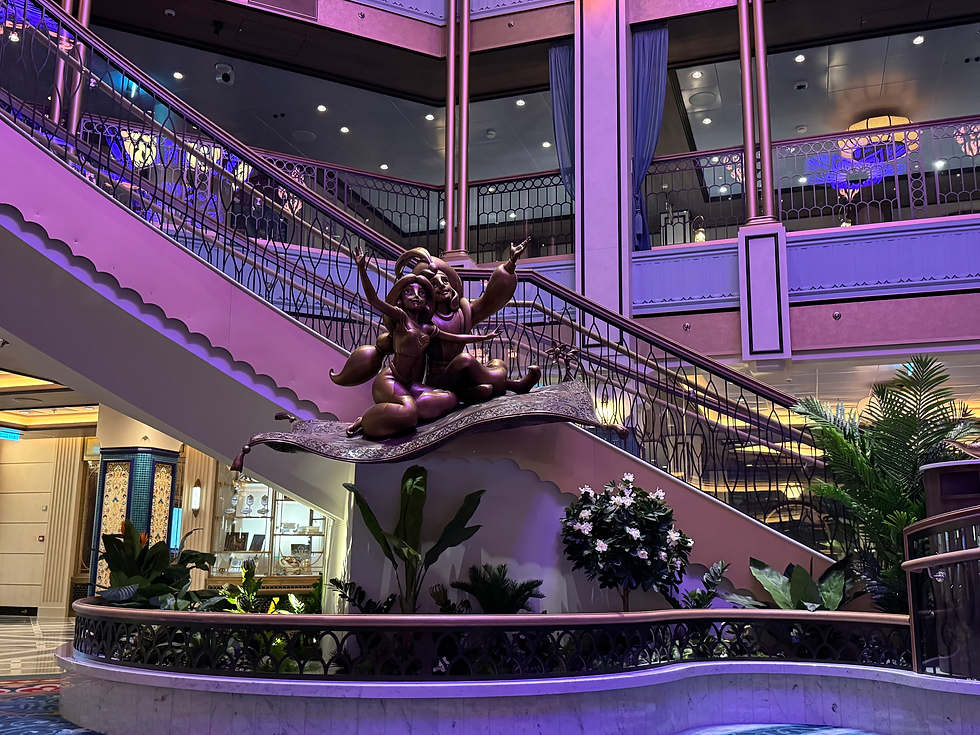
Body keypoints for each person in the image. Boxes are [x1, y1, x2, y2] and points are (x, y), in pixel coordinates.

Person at [341, 247, 498, 439]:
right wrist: (362, 269)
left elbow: (456, 338)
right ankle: (365, 420)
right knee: (409, 413)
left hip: (409, 384)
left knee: (450, 398)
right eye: (408, 292)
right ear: (400, 300)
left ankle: (408, 410)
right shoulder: (400, 318)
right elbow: (373, 299)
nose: (416, 296)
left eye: (422, 293)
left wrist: (483, 337)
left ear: (427, 301)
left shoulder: (427, 328)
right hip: (391, 379)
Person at [396, 243, 541, 403]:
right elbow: (417, 362)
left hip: (464, 375)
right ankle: (514, 385)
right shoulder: (424, 322)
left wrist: (510, 264)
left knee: (495, 365)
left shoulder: (463, 313)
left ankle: (469, 393)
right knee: (465, 359)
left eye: (444, 281)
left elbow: (491, 299)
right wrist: (411, 388)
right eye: (434, 285)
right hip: (440, 381)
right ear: (426, 292)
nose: (442, 286)